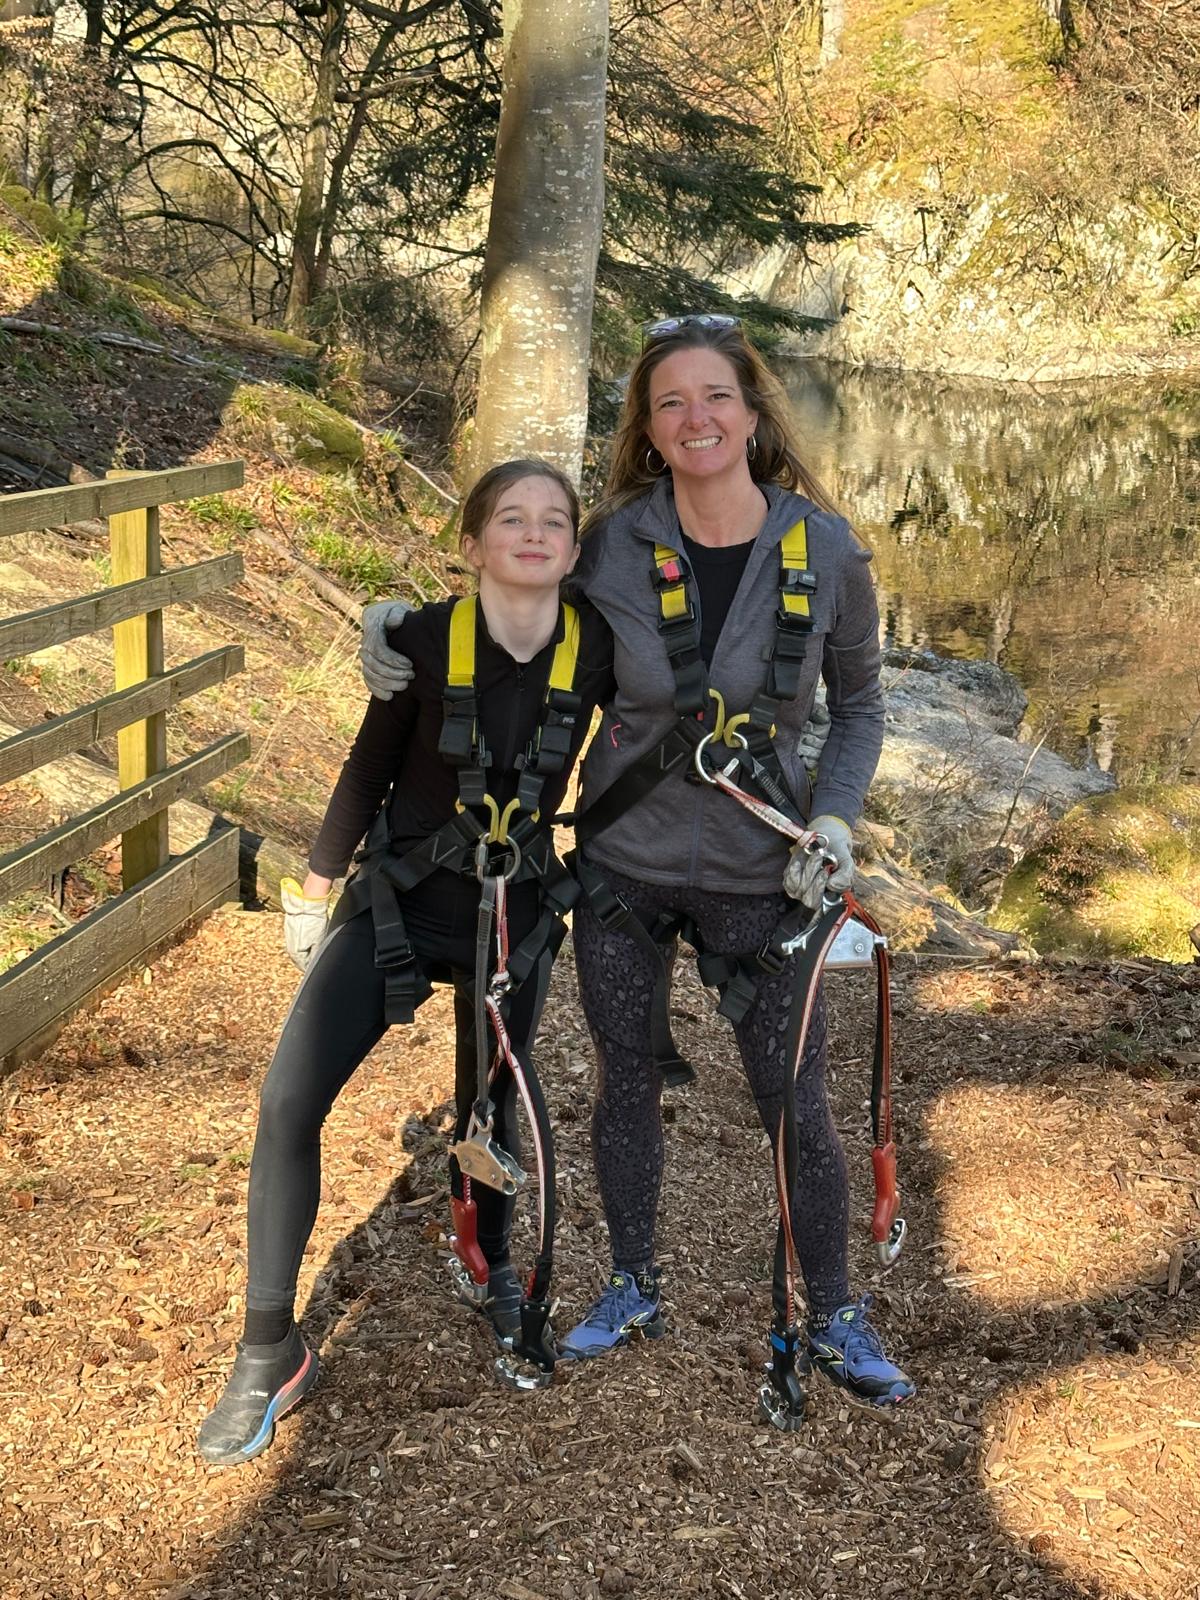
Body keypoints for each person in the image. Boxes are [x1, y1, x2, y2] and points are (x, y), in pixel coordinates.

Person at [360, 316, 914, 1411]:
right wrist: (403, 626)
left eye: (715, 397)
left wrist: (836, 821)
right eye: (671, 403)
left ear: (752, 415)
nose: (695, 418)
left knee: (793, 1095)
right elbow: (514, 624)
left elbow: (859, 708)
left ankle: (835, 1311)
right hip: (625, 865)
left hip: (768, 871)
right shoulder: (613, 544)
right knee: (624, 1079)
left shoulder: (827, 551)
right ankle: (632, 1282)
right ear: (649, 430)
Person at [197, 460, 613, 1466]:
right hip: (399, 906)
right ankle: (269, 1347)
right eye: (509, 518)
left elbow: (670, 710)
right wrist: (313, 887)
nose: (533, 533)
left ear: (573, 548)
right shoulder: (422, 640)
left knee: (490, 1108)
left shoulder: (597, 646)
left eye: (553, 521)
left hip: (513, 918)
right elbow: (368, 765)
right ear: (471, 544)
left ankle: (492, 1258)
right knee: (288, 1103)